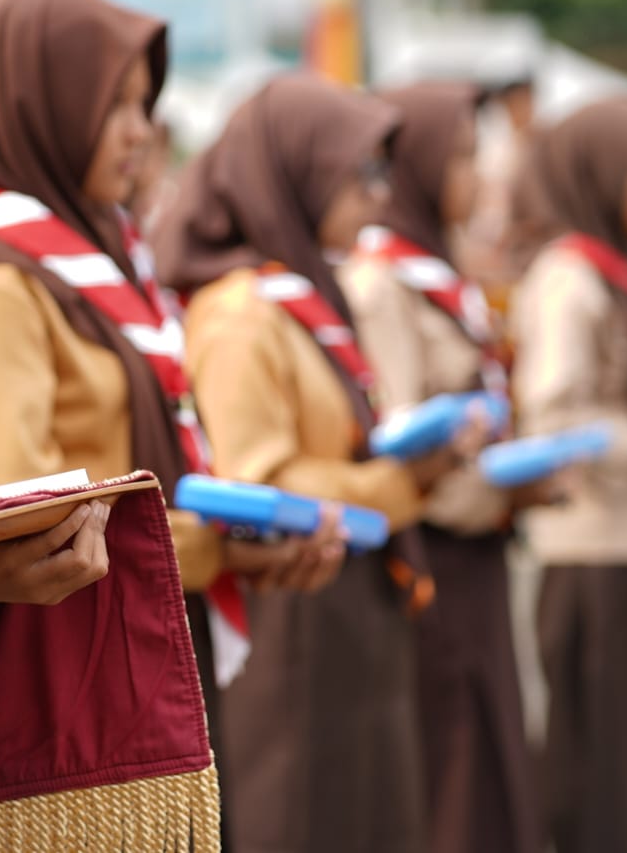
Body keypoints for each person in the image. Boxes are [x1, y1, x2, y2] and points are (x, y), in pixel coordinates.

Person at [0, 0, 311, 847]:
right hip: (51, 715)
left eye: (143, 104)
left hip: (123, 659)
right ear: (34, 106)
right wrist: (219, 546)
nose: (139, 131)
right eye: (111, 104)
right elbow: (9, 524)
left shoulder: (91, 258)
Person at [153, 74, 447, 853]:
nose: (377, 195)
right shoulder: (241, 313)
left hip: (348, 596)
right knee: (306, 815)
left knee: (370, 814)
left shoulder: (302, 291)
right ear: (296, 173)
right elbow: (259, 481)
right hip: (297, 605)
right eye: (360, 172)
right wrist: (399, 484)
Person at [343, 82, 540, 853]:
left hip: (480, 543)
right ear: (417, 166)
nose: (477, 174)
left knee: (491, 750)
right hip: (435, 551)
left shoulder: (438, 268)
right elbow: (398, 438)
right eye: (460, 156)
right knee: (454, 763)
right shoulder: (382, 284)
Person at [513, 97, 627, 853]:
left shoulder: (625, 270)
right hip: (598, 548)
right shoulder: (569, 278)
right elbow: (555, 418)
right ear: (595, 175)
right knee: (610, 768)